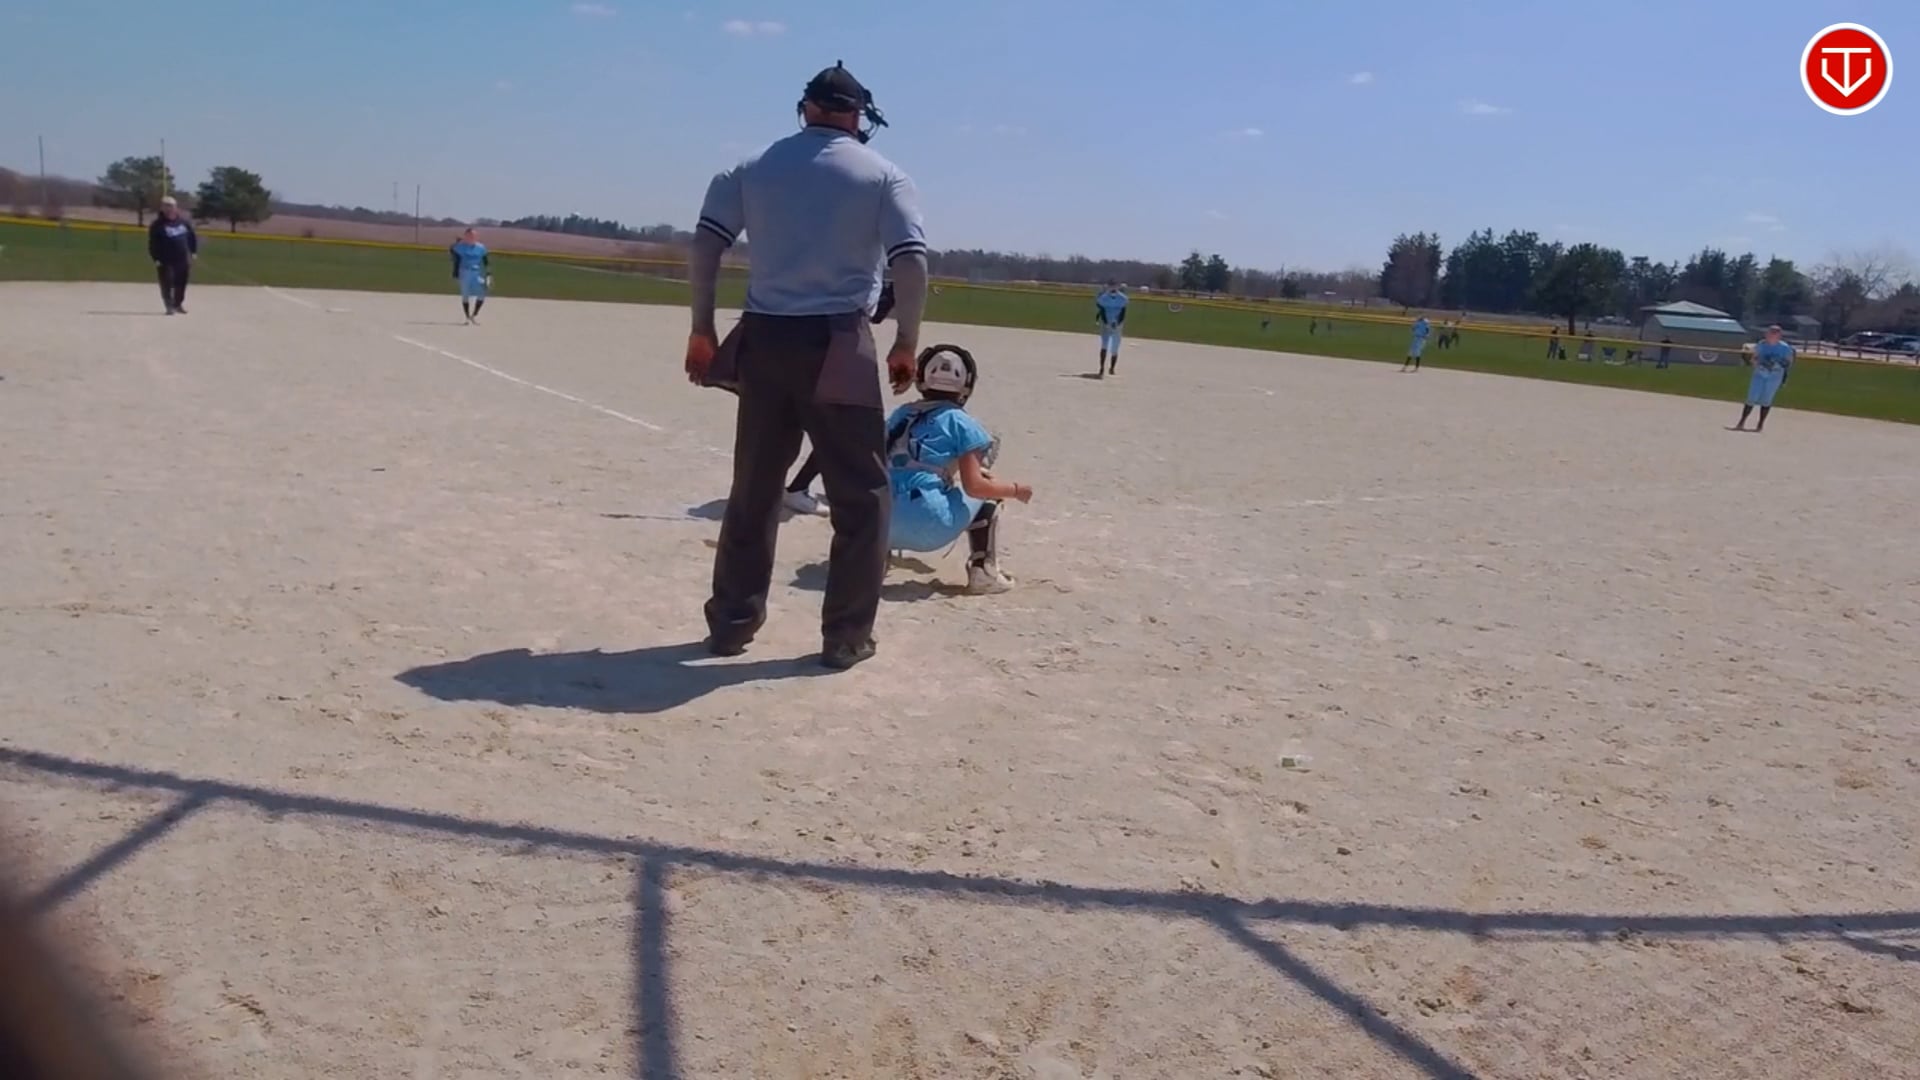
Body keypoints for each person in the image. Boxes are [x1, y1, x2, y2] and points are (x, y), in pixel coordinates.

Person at [684, 60, 929, 671]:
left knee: (754, 488)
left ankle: (731, 623)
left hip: (765, 337)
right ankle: (845, 635)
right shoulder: (884, 174)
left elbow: (706, 244)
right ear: (857, 114)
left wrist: (702, 327)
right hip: (839, 340)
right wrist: (906, 340)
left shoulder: (749, 168)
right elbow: (910, 261)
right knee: (863, 496)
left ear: (806, 108)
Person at [885, 344, 1032, 594]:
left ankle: (875, 560)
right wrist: (1016, 490)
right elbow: (975, 487)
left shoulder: (901, 414)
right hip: (930, 525)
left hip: (876, 524)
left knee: (894, 479)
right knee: (988, 491)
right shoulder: (961, 422)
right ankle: (983, 571)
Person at [784, 278, 896, 518]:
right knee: (837, 429)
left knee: (790, 424)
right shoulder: (855, 276)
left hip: (788, 340)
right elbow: (873, 313)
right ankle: (797, 488)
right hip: (830, 350)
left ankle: (775, 488)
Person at [1732, 325, 1794, 433]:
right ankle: (1741, 422)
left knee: (1766, 400)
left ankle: (1760, 424)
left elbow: (1789, 362)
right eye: (1770, 333)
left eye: (1774, 334)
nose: (1771, 336)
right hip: (1759, 374)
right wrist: (1760, 364)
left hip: (1774, 376)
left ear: (1779, 336)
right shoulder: (1762, 344)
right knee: (1751, 397)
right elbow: (1753, 359)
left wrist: (1779, 365)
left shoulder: (1785, 348)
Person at [146, 195, 197, 315]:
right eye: (166, 206)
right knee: (167, 282)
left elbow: (191, 237)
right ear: (162, 208)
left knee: (181, 282)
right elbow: (152, 244)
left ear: (176, 207)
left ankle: (178, 304)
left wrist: (193, 251)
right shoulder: (157, 225)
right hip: (165, 260)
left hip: (182, 258)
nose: (169, 209)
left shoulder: (183, 222)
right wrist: (155, 258)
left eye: (172, 206)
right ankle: (169, 305)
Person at [450, 228, 490, 323]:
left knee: (482, 292)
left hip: (476, 272)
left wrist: (489, 273)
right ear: (465, 236)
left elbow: (485, 261)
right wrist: (459, 242)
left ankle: (474, 315)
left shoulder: (481, 247)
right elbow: (452, 250)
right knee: (465, 295)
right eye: (469, 235)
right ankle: (467, 317)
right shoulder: (460, 247)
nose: (472, 237)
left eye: (473, 235)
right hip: (464, 272)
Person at [1093, 281, 1129, 377]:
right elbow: (1102, 311)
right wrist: (1106, 323)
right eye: (1111, 287)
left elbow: (1123, 312)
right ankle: (1101, 368)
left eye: (1114, 287)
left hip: (1117, 324)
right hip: (1106, 324)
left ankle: (1112, 368)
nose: (1113, 289)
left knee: (1115, 347)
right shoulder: (1104, 298)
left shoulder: (1123, 298)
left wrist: (1117, 323)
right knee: (1104, 345)